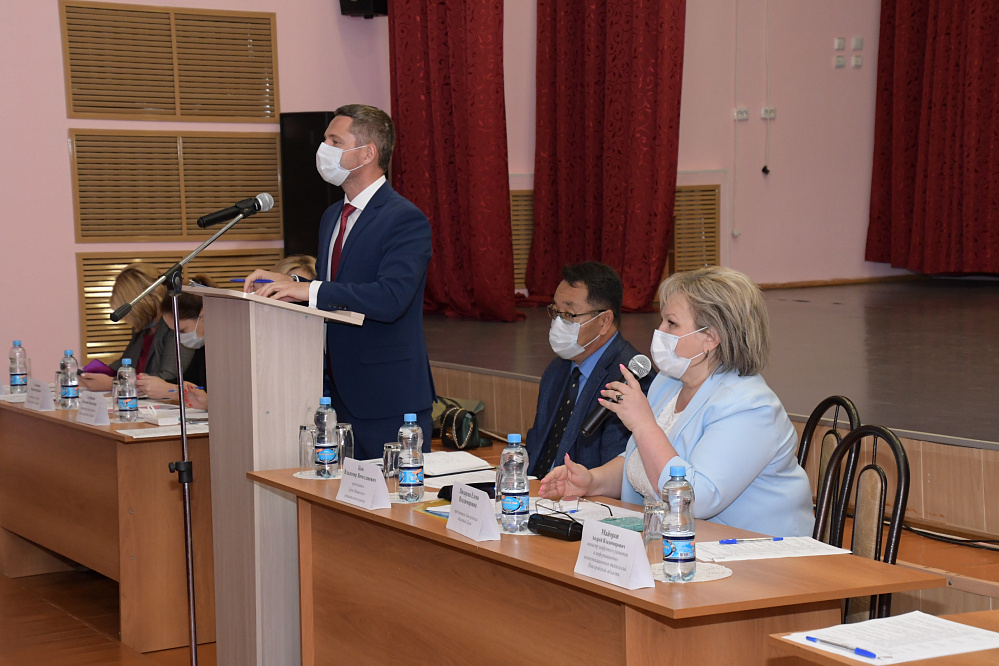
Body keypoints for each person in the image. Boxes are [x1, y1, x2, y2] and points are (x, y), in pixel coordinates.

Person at [539, 266, 814, 537]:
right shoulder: (667, 383)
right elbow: (638, 462)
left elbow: (696, 499)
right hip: (678, 541)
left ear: (711, 338)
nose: (659, 330)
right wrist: (591, 481)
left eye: (671, 323)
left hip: (757, 550)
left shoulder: (749, 406)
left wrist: (644, 425)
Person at [243, 104, 434, 459]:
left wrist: (310, 289)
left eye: (335, 141)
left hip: (386, 397)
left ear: (367, 153)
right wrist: (291, 282)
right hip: (335, 391)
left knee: (392, 494)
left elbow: (391, 298)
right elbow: (338, 285)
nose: (323, 149)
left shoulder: (405, 219)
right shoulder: (333, 215)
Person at [526, 262, 654, 477]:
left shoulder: (630, 380)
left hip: (585, 493)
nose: (558, 323)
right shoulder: (557, 369)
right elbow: (536, 445)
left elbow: (617, 471)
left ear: (604, 321)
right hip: (537, 487)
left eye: (570, 314)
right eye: (556, 311)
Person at [79, 264, 193, 392]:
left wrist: (114, 383)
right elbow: (123, 364)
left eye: (129, 313)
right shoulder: (143, 327)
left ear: (142, 303)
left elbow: (169, 378)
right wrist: (94, 374)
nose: (127, 320)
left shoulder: (175, 324)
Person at [136, 275, 215, 408]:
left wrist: (170, 390)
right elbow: (191, 381)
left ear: (203, 314)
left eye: (182, 330)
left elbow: (219, 397)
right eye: (174, 332)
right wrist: (149, 385)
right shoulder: (201, 349)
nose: (179, 338)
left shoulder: (228, 350)